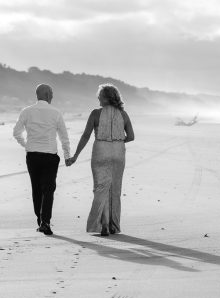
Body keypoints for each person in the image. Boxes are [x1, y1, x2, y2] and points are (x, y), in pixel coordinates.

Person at [68, 84, 135, 236]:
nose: (98, 98)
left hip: (100, 151)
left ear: (105, 98)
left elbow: (85, 136)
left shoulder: (95, 113)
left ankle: (102, 224)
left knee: (101, 188)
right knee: (115, 190)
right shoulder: (124, 115)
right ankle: (113, 225)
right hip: (118, 153)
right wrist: (117, 141)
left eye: (99, 96)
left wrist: (75, 156)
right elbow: (131, 136)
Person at [12, 84, 72, 236]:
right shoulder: (56, 113)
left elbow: (16, 132)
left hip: (32, 156)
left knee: (36, 188)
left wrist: (26, 145)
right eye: (51, 93)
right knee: (49, 189)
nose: (52, 96)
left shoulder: (27, 111)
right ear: (46, 94)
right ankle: (45, 222)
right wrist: (67, 156)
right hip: (50, 156)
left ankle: (41, 221)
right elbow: (64, 137)